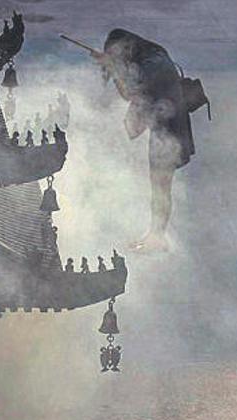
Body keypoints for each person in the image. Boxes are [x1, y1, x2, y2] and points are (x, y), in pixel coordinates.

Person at [94, 29, 195, 252]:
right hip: (165, 125)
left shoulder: (153, 64)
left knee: (160, 186)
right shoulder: (150, 55)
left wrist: (112, 67)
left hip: (170, 130)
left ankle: (157, 238)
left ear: (128, 47)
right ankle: (154, 234)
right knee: (159, 185)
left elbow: (130, 93)